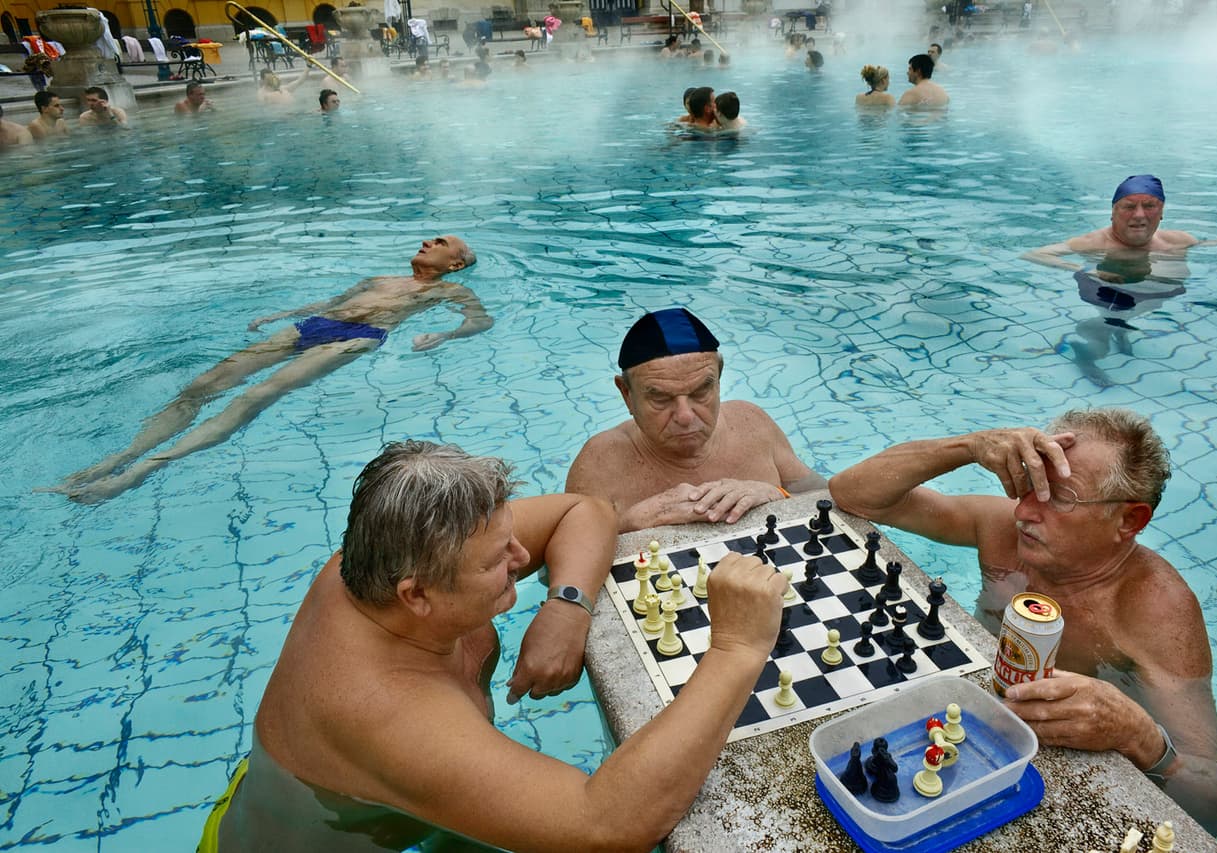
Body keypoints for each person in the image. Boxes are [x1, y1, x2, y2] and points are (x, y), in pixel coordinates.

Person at [198, 440, 787, 852]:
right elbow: (610, 826)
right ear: (417, 595)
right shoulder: (388, 712)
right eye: (496, 560)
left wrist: (567, 606)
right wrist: (736, 648)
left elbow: (584, 511)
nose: (521, 558)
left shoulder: (392, 559)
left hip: (405, 809)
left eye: (511, 539)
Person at [828, 409, 1217, 836]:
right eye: (1029, 484)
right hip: (960, 737)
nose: (1024, 511)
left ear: (1128, 521)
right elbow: (853, 494)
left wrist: (1139, 736)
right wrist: (970, 446)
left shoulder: (1156, 611)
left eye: (1060, 498)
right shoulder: (1002, 529)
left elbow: (1215, 803)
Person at [52, 236, 491, 503]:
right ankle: (118, 459)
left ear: (454, 264)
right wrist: (281, 315)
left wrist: (444, 335)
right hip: (316, 325)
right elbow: (331, 302)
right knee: (203, 385)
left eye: (440, 242)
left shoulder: (447, 290)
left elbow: (479, 321)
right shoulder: (378, 279)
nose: (427, 242)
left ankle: (139, 472)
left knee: (256, 395)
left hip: (357, 337)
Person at [565, 307, 825, 533]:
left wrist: (775, 494)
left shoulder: (751, 423)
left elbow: (829, 499)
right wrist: (627, 524)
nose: (685, 416)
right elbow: (560, 564)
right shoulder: (600, 462)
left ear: (718, 380)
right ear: (627, 394)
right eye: (661, 398)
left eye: (701, 392)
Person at [1021, 174, 1217, 274]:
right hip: (1109, 299)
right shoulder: (1093, 244)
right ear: (1113, 212)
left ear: (1162, 212)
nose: (1139, 215)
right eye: (1129, 207)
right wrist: (1084, 270)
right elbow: (1034, 254)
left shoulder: (1178, 241)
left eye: (1149, 206)